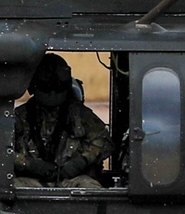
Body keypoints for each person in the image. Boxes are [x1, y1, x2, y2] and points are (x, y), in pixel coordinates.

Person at [14, 53, 112, 187]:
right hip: (31, 181)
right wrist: (27, 163)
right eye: (46, 87)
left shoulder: (79, 114)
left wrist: (82, 161)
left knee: (90, 189)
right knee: (13, 188)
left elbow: (104, 141)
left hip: (72, 181)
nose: (53, 94)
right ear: (33, 86)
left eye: (59, 87)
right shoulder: (19, 117)